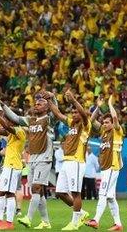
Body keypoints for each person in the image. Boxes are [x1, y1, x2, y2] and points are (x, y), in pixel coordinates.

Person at [3, 91, 56, 230]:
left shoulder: (49, 119)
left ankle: (28, 218)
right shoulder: (30, 120)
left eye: (40, 104)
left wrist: (52, 97)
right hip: (32, 158)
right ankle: (46, 221)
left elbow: (55, 109)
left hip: (44, 157)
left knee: (36, 188)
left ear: (46, 107)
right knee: (38, 192)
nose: (36, 105)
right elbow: (14, 117)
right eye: (36, 104)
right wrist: (2, 105)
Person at [46, 90, 92, 230]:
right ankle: (81, 213)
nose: (74, 114)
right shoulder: (72, 123)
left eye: (76, 112)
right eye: (72, 112)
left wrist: (73, 101)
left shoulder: (86, 124)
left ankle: (75, 222)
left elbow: (84, 114)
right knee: (60, 193)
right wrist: (49, 101)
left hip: (77, 162)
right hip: (67, 162)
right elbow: (58, 114)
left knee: (76, 193)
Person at [0, 105, 26, 230]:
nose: (6, 121)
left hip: (14, 166)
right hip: (8, 165)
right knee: (0, 192)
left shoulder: (19, 131)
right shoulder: (11, 131)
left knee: (9, 193)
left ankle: (9, 222)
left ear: (13, 120)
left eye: (7, 118)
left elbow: (6, 127)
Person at [86, 96, 123, 231]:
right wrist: (98, 107)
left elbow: (115, 119)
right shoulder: (103, 131)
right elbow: (92, 121)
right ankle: (118, 224)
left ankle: (96, 220)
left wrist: (108, 105)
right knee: (110, 197)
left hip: (112, 167)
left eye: (108, 122)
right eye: (104, 122)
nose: (105, 124)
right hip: (106, 167)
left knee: (102, 194)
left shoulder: (117, 131)